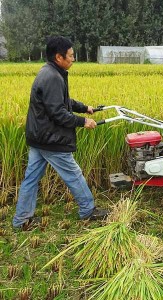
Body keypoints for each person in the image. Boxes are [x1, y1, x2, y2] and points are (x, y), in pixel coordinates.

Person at [12, 36, 108, 230]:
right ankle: (88, 210)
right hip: (51, 138)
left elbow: (62, 101)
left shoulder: (51, 72)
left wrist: (84, 107)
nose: (74, 59)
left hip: (40, 137)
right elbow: (58, 113)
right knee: (73, 174)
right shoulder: (52, 77)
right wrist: (83, 122)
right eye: (71, 56)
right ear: (59, 57)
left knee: (31, 178)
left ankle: (21, 220)